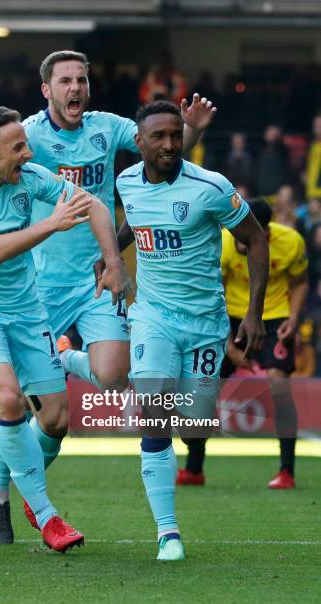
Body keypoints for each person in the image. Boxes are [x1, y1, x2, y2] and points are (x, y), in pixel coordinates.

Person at [0, 49, 218, 534]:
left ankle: (69, 359)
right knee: (48, 417)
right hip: (38, 288)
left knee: (115, 376)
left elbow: (162, 153)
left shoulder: (107, 127)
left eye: (82, 80)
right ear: (46, 90)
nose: (75, 88)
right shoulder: (27, 136)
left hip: (97, 276)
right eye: (65, 81)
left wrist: (192, 129)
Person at [0, 105, 127, 551]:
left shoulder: (30, 177)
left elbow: (92, 203)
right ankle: (46, 515)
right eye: (17, 147)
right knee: (7, 395)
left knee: (56, 420)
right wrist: (51, 224)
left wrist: (112, 262)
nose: (28, 152)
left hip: (26, 310)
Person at [115, 101, 268, 560]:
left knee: (194, 426)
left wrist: (254, 314)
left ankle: (75, 361)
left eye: (174, 136)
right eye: (157, 137)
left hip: (205, 325)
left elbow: (257, 239)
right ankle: (168, 533)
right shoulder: (126, 183)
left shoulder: (211, 187)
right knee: (155, 412)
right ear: (138, 143)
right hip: (153, 316)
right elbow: (132, 226)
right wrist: (107, 255)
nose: (167, 144)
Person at [179, 199, 308, 489]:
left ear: (266, 232)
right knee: (205, 390)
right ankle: (194, 468)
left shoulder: (291, 242)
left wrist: (295, 319)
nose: (240, 239)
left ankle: (287, 471)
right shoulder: (222, 243)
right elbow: (210, 298)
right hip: (229, 320)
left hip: (273, 317)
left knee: (279, 386)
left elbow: (300, 282)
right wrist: (228, 346)